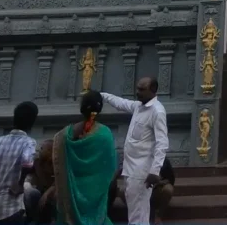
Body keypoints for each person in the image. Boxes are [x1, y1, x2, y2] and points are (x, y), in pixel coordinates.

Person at [100, 78, 168, 225]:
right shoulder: (138, 107)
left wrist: (155, 171)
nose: (138, 93)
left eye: (142, 89)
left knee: (138, 213)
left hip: (141, 171)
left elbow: (162, 143)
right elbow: (120, 103)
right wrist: (102, 95)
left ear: (153, 89)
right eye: (137, 89)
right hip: (130, 169)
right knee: (137, 212)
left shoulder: (157, 111)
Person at [52, 89, 117, 225]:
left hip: (71, 189)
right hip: (95, 189)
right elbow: (110, 168)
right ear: (100, 108)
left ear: (82, 107)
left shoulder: (64, 135)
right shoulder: (105, 134)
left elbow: (59, 158)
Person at [0, 101, 38, 224]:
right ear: (32, 122)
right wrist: (20, 184)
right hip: (13, 208)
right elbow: (27, 162)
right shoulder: (29, 142)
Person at [24, 140, 55, 223]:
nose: (39, 151)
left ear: (49, 150)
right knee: (29, 193)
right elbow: (24, 171)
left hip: (53, 196)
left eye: (42, 148)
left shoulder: (57, 164)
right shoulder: (37, 162)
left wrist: (47, 193)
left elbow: (59, 182)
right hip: (39, 194)